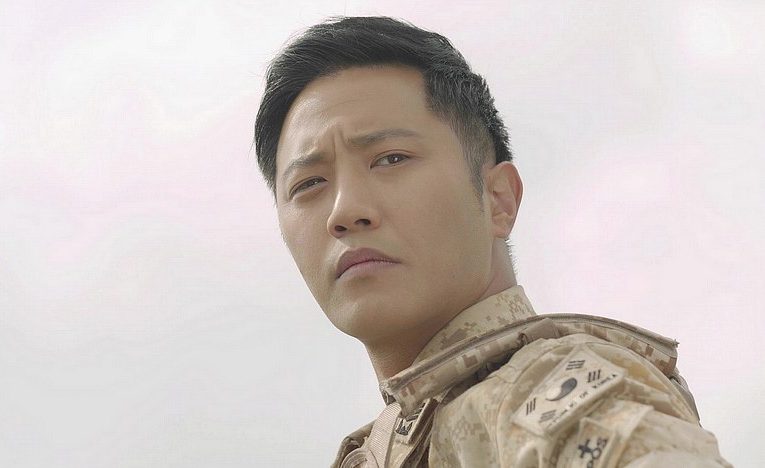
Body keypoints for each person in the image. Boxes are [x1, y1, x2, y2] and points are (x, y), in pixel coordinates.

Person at [254, 16, 731, 468]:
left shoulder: (541, 390)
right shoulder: (397, 439)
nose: (344, 211)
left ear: (499, 199)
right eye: (309, 184)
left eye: (391, 158)